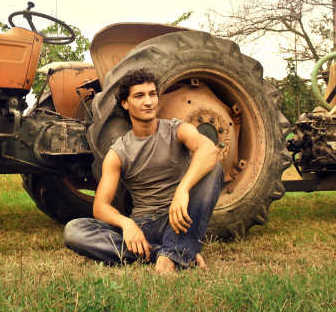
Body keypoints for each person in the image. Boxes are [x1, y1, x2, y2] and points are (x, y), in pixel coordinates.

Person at [64, 68, 224, 275]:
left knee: (213, 169)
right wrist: (127, 224)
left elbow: (209, 150)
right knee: (74, 231)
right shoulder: (118, 152)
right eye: (139, 96)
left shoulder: (177, 130)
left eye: (152, 94)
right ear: (125, 103)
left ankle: (172, 253)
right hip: (143, 226)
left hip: (179, 219)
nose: (148, 102)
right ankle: (172, 251)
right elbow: (100, 207)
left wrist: (182, 190)